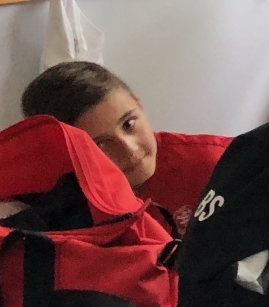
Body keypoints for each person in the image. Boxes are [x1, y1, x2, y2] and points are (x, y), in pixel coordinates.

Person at [19, 61, 228, 234]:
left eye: (128, 124)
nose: (130, 150)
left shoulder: (220, 164)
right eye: (101, 144)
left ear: (138, 103)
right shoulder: (57, 205)